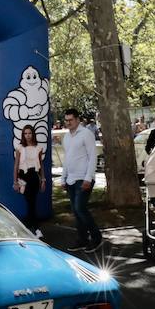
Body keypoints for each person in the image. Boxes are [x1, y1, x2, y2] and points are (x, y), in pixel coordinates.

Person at [60, 107, 101, 250]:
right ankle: (82, 239)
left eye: (71, 120)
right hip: (70, 179)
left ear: (78, 120)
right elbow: (67, 159)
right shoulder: (66, 137)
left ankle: (96, 238)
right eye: (66, 120)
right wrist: (63, 178)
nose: (68, 123)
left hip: (83, 179)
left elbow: (92, 157)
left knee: (80, 208)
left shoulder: (86, 134)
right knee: (76, 211)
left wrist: (88, 178)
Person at [15, 123, 47, 233]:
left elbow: (41, 164)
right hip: (23, 177)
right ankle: (35, 228)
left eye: (29, 133)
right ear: (23, 135)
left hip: (34, 176)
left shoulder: (38, 148)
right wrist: (15, 181)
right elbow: (16, 165)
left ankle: (30, 227)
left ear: (33, 134)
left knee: (32, 202)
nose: (28, 135)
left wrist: (43, 180)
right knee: (30, 201)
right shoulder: (19, 147)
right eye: (25, 133)